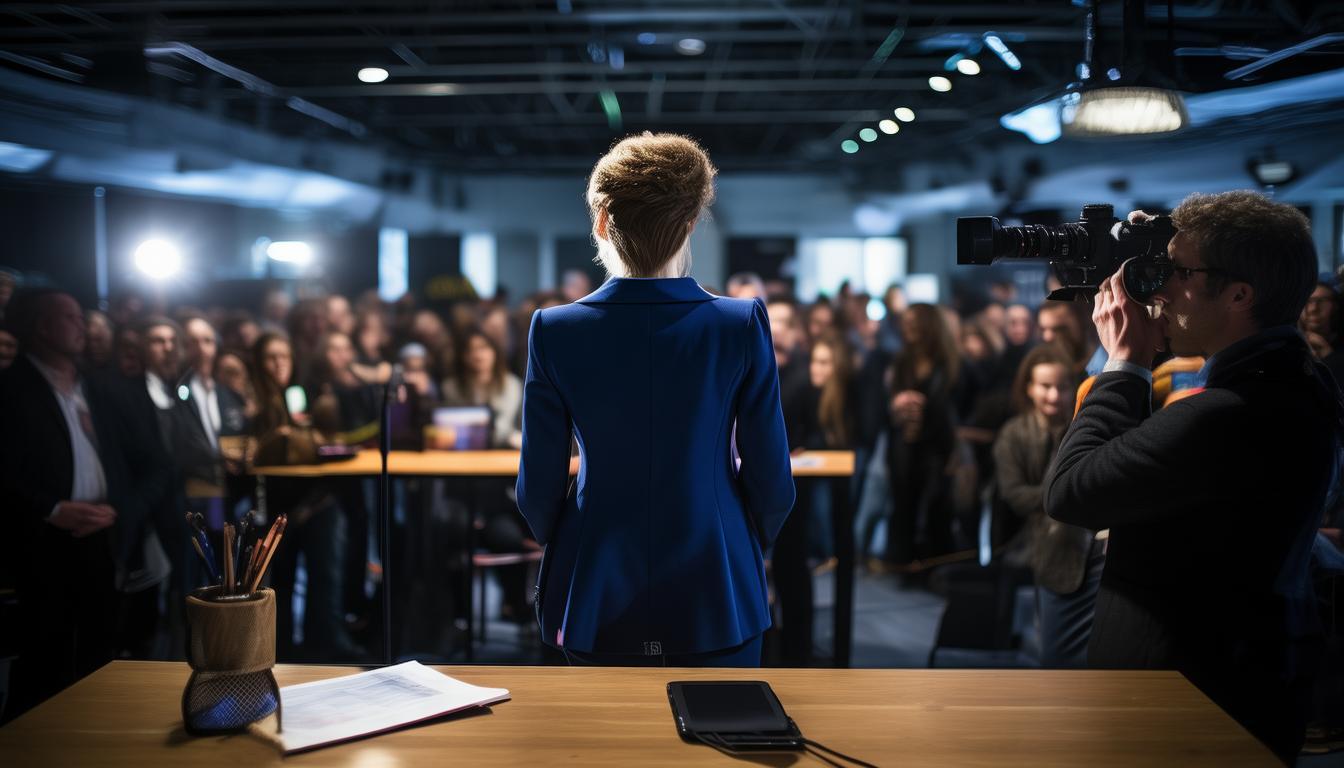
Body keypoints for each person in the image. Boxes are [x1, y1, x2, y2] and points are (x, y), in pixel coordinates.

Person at [1045, 191, 1337, 761]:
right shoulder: (1297, 380)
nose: (1160, 290)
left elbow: (1071, 491)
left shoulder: (1228, 413)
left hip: (1186, 700)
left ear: (1238, 294)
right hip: (1244, 678)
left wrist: (1124, 363)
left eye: (1178, 272)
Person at [516, 132, 795, 667]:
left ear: (601, 221)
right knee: (723, 740)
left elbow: (537, 488)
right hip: (717, 577)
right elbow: (772, 480)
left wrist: (570, 541)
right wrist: (740, 539)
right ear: (691, 223)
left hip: (594, 579)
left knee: (606, 746)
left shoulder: (554, 329)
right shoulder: (740, 323)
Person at [0, 290, 168, 720]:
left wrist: (120, 509)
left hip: (106, 538)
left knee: (100, 656)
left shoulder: (101, 388)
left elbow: (157, 466)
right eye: (69, 317)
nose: (82, 325)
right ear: (41, 326)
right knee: (45, 658)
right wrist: (51, 508)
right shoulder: (11, 388)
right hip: (41, 541)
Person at [993, 343, 1101, 668]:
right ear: (1029, 388)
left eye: (1061, 386)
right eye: (1045, 386)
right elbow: (1014, 495)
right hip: (1042, 543)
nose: (1054, 396)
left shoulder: (1084, 428)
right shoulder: (1014, 434)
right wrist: (1063, 493)